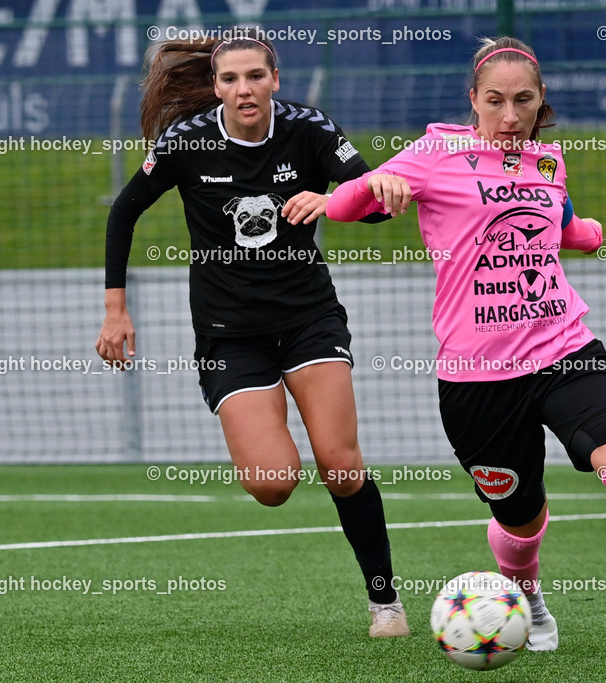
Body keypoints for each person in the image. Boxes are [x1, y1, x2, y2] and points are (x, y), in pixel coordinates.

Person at [327, 36, 606, 649]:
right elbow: (342, 206)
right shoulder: (436, 152)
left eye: (522, 100)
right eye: (495, 101)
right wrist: (378, 185)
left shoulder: (548, 163)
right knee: (521, 522)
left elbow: (563, 226)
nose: (509, 115)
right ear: (474, 99)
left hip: (565, 349)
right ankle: (527, 595)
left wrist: (589, 233)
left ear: (541, 99)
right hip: (478, 377)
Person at [95, 28, 409, 638]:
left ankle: (385, 602)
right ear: (216, 87)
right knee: (272, 484)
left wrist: (354, 196)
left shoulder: (309, 128)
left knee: (341, 465)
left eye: (256, 77)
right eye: (231, 79)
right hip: (229, 335)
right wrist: (116, 310)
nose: (245, 89)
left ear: (275, 81)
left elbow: (368, 198)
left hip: (309, 320)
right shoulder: (186, 141)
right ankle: (261, 423)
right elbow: (123, 211)